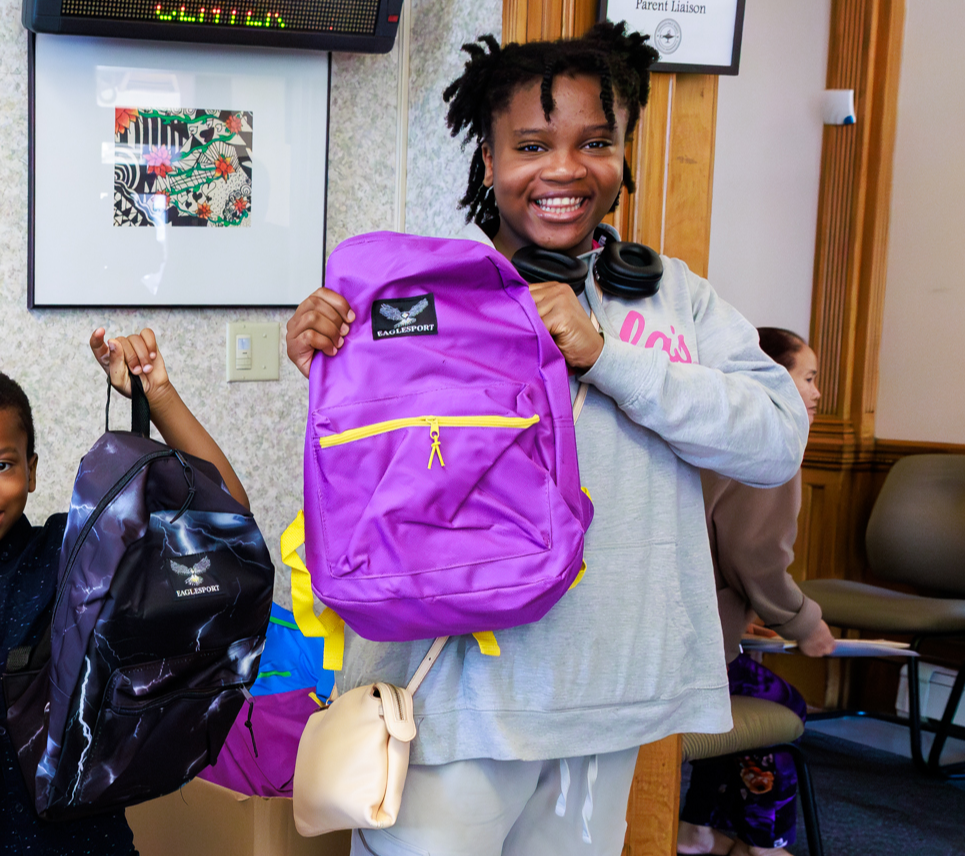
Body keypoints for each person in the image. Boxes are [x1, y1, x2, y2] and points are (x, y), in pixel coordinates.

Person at [284, 23, 808, 856]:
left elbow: (777, 440)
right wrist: (328, 345)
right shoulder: (419, 295)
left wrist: (608, 357)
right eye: (531, 145)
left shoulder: (675, 301)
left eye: (594, 142)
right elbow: (364, 466)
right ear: (489, 163)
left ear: (623, 152)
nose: (564, 169)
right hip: (453, 706)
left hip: (613, 699)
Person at [0, 328, 250, 856]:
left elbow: (222, 516)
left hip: (84, 845)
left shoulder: (73, 552)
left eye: (1, 465)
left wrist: (156, 395)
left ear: (32, 470)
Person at [678, 326, 834, 856]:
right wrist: (804, 624)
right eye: (808, 378)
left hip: (663, 639)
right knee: (782, 702)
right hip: (693, 659)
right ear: (770, 376)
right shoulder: (770, 440)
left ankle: (699, 827)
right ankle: (763, 842)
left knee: (740, 696)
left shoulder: (707, 423)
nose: (816, 393)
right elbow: (754, 556)